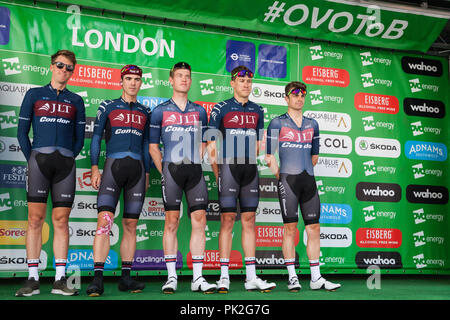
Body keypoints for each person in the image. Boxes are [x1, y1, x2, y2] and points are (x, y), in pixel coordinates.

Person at [16, 50, 85, 297]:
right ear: (51, 66)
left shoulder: (76, 100)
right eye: (60, 65)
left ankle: (59, 278)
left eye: (69, 68)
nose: (64, 71)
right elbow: (22, 133)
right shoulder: (34, 94)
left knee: (61, 222)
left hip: (65, 165)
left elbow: (79, 140)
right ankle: (32, 278)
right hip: (38, 164)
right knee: (35, 221)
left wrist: (68, 157)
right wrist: (33, 159)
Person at [265, 81, 341, 292]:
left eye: (303, 94)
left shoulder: (312, 124)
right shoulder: (277, 123)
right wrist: (282, 176)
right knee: (290, 229)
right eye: (295, 94)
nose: (299, 98)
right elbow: (269, 156)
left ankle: (316, 277)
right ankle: (292, 277)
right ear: (286, 98)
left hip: (309, 181)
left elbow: (314, 156)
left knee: (314, 228)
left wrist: (303, 171)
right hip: (287, 182)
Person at [207, 65, 276, 293]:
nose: (246, 84)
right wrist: (218, 171)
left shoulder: (258, 110)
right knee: (227, 221)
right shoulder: (220, 108)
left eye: (249, 81)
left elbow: (258, 144)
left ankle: (251, 277)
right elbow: (211, 145)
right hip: (228, 169)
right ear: (232, 82)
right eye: (241, 80)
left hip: (249, 170)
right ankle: (224, 276)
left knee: (249, 221)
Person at [149, 62, 216, 294]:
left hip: (195, 171)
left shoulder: (200, 110)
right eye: (179, 76)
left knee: (200, 220)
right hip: (171, 170)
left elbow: (205, 140)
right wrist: (165, 170)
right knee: (171, 222)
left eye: (187, 76)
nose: (184, 80)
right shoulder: (159, 111)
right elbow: (153, 147)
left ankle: (198, 277)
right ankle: (171, 277)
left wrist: (197, 159)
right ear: (171, 80)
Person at [86, 64, 151, 297]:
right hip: (113, 168)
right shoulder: (108, 106)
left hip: (137, 171)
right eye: (129, 78)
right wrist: (94, 168)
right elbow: (96, 138)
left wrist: (147, 174)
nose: (133, 82)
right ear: (121, 81)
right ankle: (97, 279)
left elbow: (146, 145)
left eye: (137, 79)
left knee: (130, 225)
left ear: (141, 82)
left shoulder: (146, 111)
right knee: (104, 222)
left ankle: (126, 278)